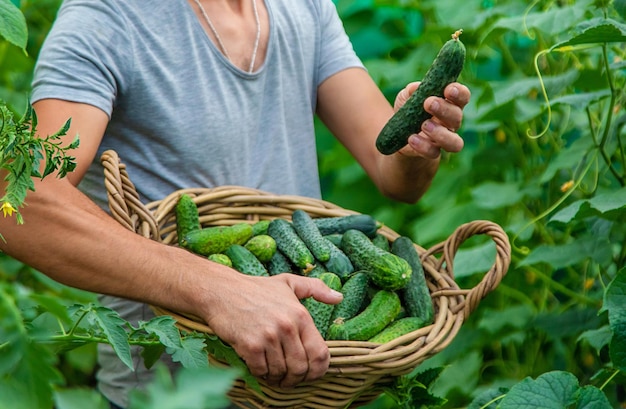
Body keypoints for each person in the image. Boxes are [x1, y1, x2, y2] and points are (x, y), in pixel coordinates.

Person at [1, 0, 470, 408]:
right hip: (173, 394)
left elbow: (393, 172)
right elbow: (19, 202)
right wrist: (216, 288)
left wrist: (416, 148)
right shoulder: (105, 17)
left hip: (311, 383)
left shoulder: (304, 7)